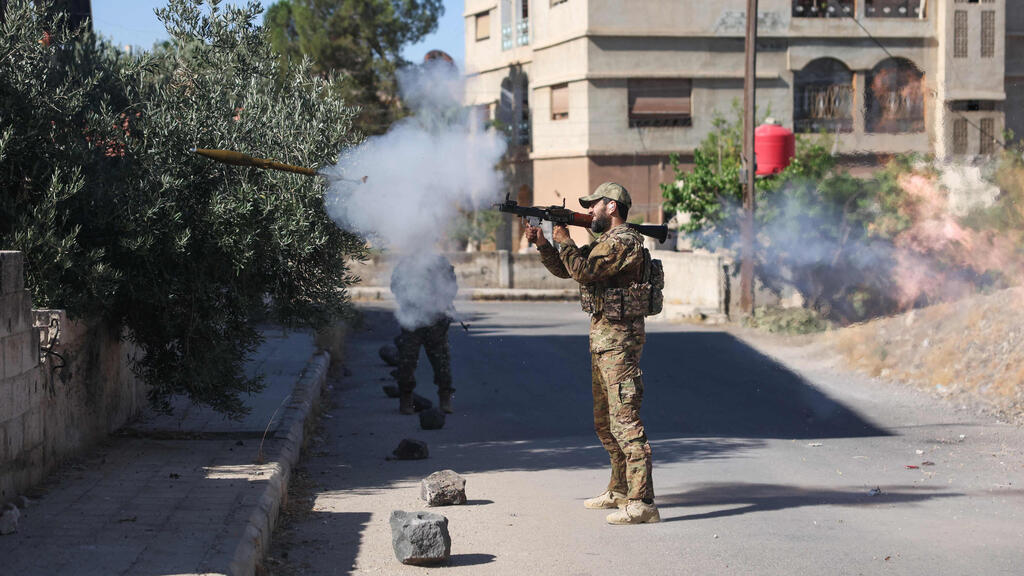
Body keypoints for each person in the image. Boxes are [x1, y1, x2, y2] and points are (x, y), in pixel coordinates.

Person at [524, 182, 659, 525]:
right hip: (603, 341)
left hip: (620, 342)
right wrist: (545, 244)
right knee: (604, 422)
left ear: (612, 207)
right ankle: (619, 489)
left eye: (594, 205)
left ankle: (642, 502)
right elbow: (570, 270)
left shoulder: (623, 243)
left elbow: (584, 270)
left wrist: (563, 234)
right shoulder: (604, 244)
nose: (590, 211)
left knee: (625, 421)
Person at [389, 253, 458, 415]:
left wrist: (439, 301)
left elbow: (451, 287)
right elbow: (395, 286)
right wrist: (409, 300)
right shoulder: (406, 262)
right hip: (413, 319)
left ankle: (445, 398)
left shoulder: (440, 263)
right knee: (407, 360)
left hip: (436, 319)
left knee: (441, 362)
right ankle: (406, 399)